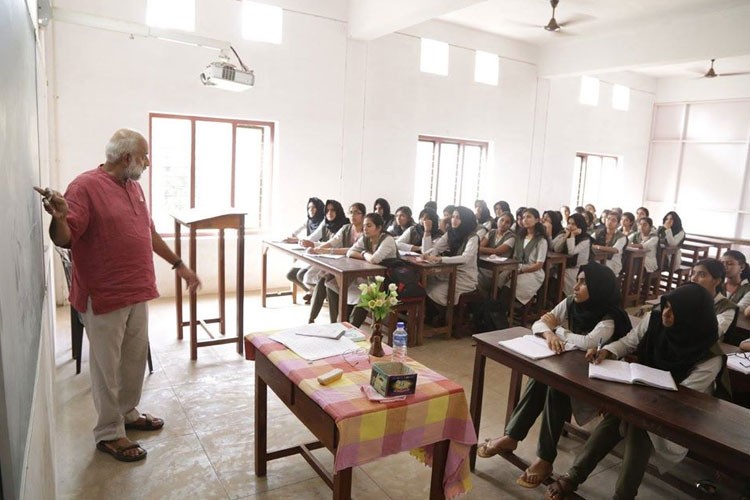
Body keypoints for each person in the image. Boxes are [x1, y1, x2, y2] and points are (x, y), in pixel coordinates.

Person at [41, 129, 201, 462]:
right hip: (102, 295)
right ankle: (109, 432)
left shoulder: (135, 188)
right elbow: (65, 236)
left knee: (132, 360)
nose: (148, 163)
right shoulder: (84, 187)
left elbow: (149, 232)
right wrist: (58, 218)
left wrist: (180, 265)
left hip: (137, 290)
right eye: (145, 156)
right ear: (127, 157)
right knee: (106, 368)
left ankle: (128, 413)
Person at [545, 283, 721, 500]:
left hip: (680, 416)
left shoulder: (710, 357)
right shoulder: (654, 320)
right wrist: (607, 351)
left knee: (637, 425)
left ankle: (604, 488)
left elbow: (683, 398)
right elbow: (628, 342)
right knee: (626, 417)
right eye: (666, 306)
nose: (665, 313)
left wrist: (633, 401)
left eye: (674, 311)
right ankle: (576, 477)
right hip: (642, 400)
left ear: (692, 317)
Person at [478, 263, 631, 488]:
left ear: (598, 288)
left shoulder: (611, 316)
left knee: (556, 384)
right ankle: (512, 437)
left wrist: (557, 331)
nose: (576, 287)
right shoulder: (572, 303)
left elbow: (588, 342)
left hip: (598, 383)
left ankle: (545, 458)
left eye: (583, 282)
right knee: (544, 377)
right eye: (577, 280)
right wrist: (549, 333)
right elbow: (540, 323)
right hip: (572, 373)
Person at [326, 212, 398, 326]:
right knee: (331, 284)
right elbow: (350, 252)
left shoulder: (387, 239)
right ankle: (336, 323)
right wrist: (365, 254)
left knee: (363, 295)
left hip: (385, 282)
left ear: (379, 228)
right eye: (364, 226)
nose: (365, 229)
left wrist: (363, 252)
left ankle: (352, 328)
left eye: (369, 226)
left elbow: (375, 259)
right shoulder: (365, 238)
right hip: (368, 278)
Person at [422, 206, 479, 322]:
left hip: (464, 277)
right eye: (453, 217)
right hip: (449, 273)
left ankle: (449, 318)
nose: (454, 220)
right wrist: (427, 252)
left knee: (435, 291)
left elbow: (465, 258)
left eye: (458, 218)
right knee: (426, 283)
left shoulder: (473, 237)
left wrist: (441, 260)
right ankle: (436, 316)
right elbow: (436, 248)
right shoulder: (451, 233)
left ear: (466, 220)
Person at [305, 202, 358, 323]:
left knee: (328, 282)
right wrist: (317, 249)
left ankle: (336, 322)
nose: (353, 215)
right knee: (323, 280)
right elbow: (333, 241)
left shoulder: (365, 231)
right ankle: (313, 319)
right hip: (343, 264)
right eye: (351, 212)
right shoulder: (347, 228)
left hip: (356, 270)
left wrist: (325, 249)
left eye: (357, 212)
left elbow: (354, 250)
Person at [284, 197, 325, 304]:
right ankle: (312, 293)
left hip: (318, 255)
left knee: (300, 275)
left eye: (314, 207)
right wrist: (292, 238)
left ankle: (315, 295)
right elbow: (294, 232)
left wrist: (296, 240)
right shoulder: (309, 220)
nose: (310, 210)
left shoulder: (324, 222)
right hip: (308, 253)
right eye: (309, 208)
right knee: (291, 275)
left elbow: (312, 239)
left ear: (320, 209)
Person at [504, 208, 548, 305]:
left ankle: (502, 314)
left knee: (509, 288)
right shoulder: (520, 237)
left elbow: (539, 265)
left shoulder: (541, 240)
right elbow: (515, 257)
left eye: (529, 217)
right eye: (523, 217)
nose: (525, 220)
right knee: (498, 282)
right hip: (516, 268)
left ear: (537, 220)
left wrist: (521, 270)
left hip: (532, 272)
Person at [690, 258, 738, 342]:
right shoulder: (685, 297)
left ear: (716, 281)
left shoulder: (726, 307)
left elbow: (711, 334)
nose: (694, 278)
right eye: (693, 273)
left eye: (702, 275)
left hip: (705, 351)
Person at [553, 213, 591, 296]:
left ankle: (562, 299)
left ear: (580, 225)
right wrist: (566, 236)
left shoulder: (585, 239)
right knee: (551, 273)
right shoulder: (564, 232)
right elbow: (556, 248)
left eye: (573, 224)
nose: (570, 226)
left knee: (562, 275)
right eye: (569, 223)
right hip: (563, 265)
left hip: (577, 268)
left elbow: (571, 252)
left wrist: (573, 235)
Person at [477, 212, 515, 291]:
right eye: (502, 220)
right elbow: (482, 245)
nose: (503, 223)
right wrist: (479, 248)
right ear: (497, 220)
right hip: (487, 263)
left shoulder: (511, 237)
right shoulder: (492, 232)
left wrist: (477, 248)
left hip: (500, 268)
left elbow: (497, 251)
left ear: (510, 225)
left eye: (507, 222)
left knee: (477, 276)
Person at [592, 211, 627, 276]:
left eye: (613, 220)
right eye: (608, 219)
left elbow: (615, 249)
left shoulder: (621, 237)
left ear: (618, 223)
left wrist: (598, 247)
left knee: (596, 267)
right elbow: (589, 242)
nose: (610, 221)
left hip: (613, 262)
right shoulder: (598, 233)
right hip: (598, 259)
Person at [721, 250, 750, 320]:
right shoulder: (718, 283)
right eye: (722, 263)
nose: (724, 267)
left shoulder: (747, 289)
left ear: (742, 267)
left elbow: (739, 309)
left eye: (730, 264)